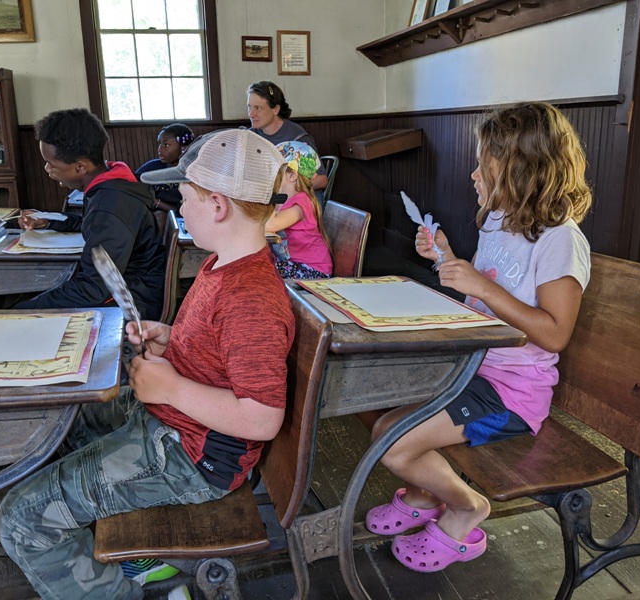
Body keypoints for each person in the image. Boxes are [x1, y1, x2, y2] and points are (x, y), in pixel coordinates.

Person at [0, 128, 296, 600]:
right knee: (67, 416)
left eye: (184, 198)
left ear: (217, 205)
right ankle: (135, 559)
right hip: (169, 424)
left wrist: (173, 388)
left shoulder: (251, 298)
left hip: (191, 457)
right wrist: (171, 338)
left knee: (23, 519)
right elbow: (224, 352)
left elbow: (261, 417)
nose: (179, 208)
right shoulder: (222, 263)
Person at [364, 102, 593, 573]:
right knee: (384, 415)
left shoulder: (560, 240)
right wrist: (443, 256)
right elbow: (486, 291)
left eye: (483, 163)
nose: (473, 175)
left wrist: (480, 285)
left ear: (522, 169)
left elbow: (554, 333)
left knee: (391, 441)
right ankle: (426, 493)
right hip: (470, 368)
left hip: (512, 394)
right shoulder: (498, 219)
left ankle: (467, 507)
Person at [14, 108, 164, 321]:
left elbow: (93, 288)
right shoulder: (111, 183)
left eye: (51, 164)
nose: (47, 169)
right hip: (123, 286)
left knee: (22, 314)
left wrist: (21, 311)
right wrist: (49, 221)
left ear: (80, 167)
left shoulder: (110, 204)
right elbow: (92, 223)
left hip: (131, 301)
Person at [266, 141, 332, 279]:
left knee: (262, 273)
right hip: (296, 265)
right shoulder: (287, 200)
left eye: (275, 171)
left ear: (292, 175)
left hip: (313, 270)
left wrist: (269, 193)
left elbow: (271, 224)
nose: (270, 175)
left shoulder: (301, 203)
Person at [247, 80, 328, 193]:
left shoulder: (297, 137)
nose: (251, 114)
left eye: (258, 108)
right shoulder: (250, 137)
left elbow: (322, 180)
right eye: (249, 107)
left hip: (297, 201)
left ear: (275, 109)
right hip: (267, 200)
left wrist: (289, 190)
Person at [135, 123, 196, 214]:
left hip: (176, 219)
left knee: (160, 215)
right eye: (160, 144)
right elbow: (133, 182)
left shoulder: (192, 173)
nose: (160, 149)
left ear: (184, 148)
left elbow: (180, 211)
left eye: (166, 145)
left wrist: (154, 201)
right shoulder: (153, 166)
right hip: (146, 215)